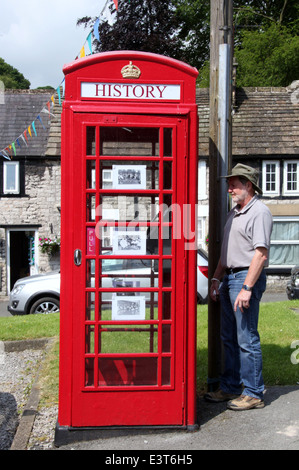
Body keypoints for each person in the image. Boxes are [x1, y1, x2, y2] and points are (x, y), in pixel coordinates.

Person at [205, 163, 273, 410]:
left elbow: (261, 254)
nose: (229, 188)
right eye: (229, 184)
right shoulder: (234, 213)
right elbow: (227, 251)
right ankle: (232, 387)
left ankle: (254, 393)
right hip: (229, 278)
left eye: (234, 184)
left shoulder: (260, 212)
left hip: (246, 278)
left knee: (246, 337)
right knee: (229, 338)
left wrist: (247, 287)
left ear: (249, 185)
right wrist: (216, 278)